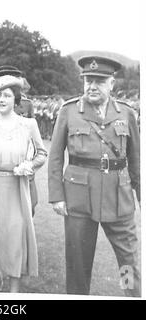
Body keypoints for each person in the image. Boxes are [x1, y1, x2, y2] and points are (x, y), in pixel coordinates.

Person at [48, 56, 140, 296]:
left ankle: (132, 294)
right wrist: (57, 196)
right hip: (79, 198)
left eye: (99, 81)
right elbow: (56, 156)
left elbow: (136, 160)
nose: (92, 86)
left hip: (118, 198)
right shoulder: (69, 111)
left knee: (128, 259)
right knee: (78, 262)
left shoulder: (127, 113)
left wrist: (141, 195)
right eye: (88, 80)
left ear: (112, 84)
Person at [0, 75, 47, 292]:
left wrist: (29, 165)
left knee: (14, 238)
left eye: (6, 95)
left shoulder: (28, 124)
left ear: (16, 99)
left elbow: (42, 153)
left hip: (16, 190)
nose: (1, 100)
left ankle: (14, 291)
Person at [0, 65, 38, 216]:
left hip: (23, 158)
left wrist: (30, 160)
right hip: (0, 160)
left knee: (29, 203)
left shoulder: (27, 104)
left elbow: (33, 134)